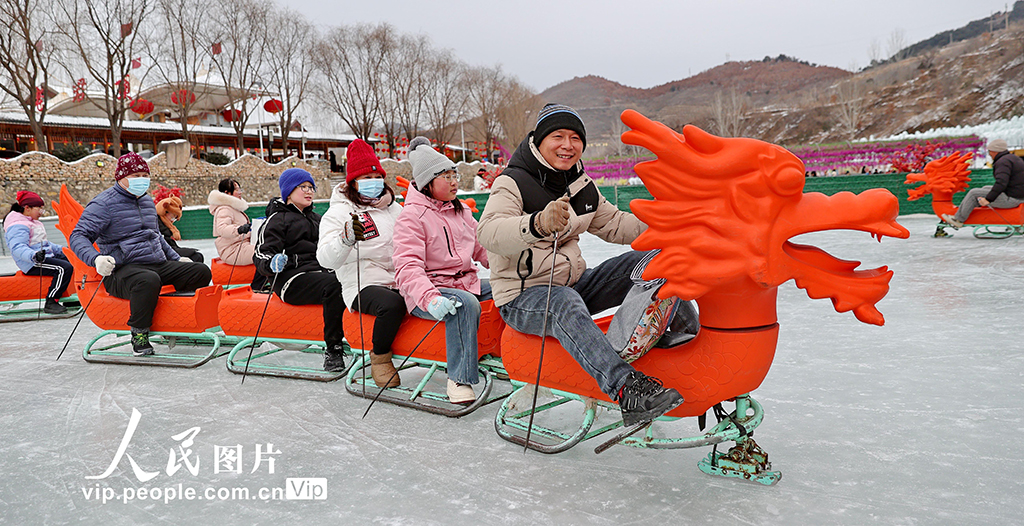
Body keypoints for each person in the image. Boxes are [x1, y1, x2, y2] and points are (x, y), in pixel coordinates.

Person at [476, 103, 684, 426]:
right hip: (523, 297)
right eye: (557, 136)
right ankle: (626, 389)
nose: (567, 145)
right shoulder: (513, 182)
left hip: (571, 284)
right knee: (563, 303)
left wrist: (667, 226)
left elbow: (615, 223)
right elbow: (488, 232)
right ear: (540, 140)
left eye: (575, 137)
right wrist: (537, 224)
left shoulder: (580, 185)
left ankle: (679, 326)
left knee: (645, 261)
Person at [69, 152, 212, 355]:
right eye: (136, 175)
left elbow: (156, 237)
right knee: (147, 280)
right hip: (122, 269)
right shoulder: (103, 204)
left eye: (145, 174)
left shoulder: (146, 202)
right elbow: (78, 236)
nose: (142, 179)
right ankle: (139, 333)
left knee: (199, 271)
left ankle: (175, 320)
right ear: (121, 178)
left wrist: (176, 257)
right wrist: (96, 258)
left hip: (155, 262)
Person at [392, 137, 491, 404]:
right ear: (428, 183)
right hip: (430, 291)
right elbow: (407, 266)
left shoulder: (461, 212)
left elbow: (482, 249)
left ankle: (501, 352)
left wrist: (515, 267)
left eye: (454, 174)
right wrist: (430, 298)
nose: (454, 181)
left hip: (465, 282)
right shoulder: (412, 216)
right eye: (446, 176)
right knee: (464, 304)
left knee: (506, 286)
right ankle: (459, 377)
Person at [317, 139, 404, 388]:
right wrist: (345, 240)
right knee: (392, 304)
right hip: (362, 283)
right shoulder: (338, 213)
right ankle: (380, 358)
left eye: (377, 175)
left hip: (399, 276)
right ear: (353, 182)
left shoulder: (394, 209)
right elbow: (325, 258)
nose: (374, 180)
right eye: (367, 176)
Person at [253, 168, 348, 372]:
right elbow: (261, 253)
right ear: (288, 191)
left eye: (311, 187)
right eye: (302, 187)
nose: (309, 191)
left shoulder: (317, 218)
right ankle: (334, 348)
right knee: (335, 286)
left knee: (351, 280)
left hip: (320, 273)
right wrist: (272, 262)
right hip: (291, 280)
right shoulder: (277, 219)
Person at [3, 191, 74, 314]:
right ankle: (51, 301)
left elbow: (46, 244)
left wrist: (65, 251)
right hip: (31, 262)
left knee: (72, 262)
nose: (41, 213)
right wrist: (33, 255)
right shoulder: (18, 225)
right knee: (63, 268)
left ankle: (70, 297)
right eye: (39, 209)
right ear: (27, 208)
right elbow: (18, 247)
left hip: (42, 257)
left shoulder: (33, 222)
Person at [942, 139, 1024, 229]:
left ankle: (958, 220)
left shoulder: (1002, 162)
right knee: (985, 188)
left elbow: (1001, 183)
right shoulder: (1014, 158)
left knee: (974, 193)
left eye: (989, 152)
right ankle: (969, 208)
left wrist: (988, 199)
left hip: (1013, 199)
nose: (989, 154)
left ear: (994, 151)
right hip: (1018, 195)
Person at [207, 178, 254, 266]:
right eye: (236, 190)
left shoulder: (233, 208)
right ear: (227, 192)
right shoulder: (224, 209)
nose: (240, 192)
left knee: (267, 248)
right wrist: (239, 229)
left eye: (240, 189)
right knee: (263, 252)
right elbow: (222, 228)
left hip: (243, 245)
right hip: (233, 250)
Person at [155, 195, 204, 263]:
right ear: (165, 212)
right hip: (164, 256)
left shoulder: (164, 226)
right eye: (173, 216)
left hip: (168, 253)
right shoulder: (158, 225)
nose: (173, 220)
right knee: (196, 257)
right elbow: (167, 248)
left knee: (197, 256)